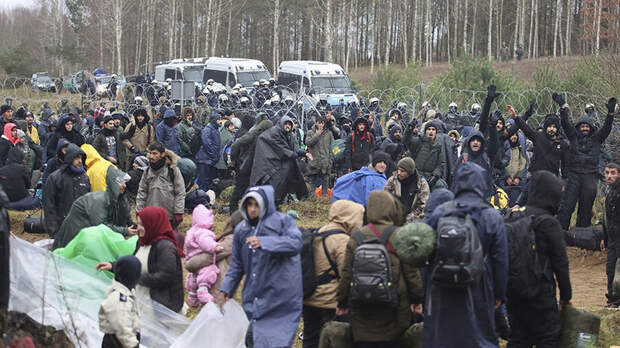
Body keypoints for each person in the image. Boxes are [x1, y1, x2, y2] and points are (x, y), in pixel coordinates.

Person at [423, 162, 508, 348]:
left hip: (442, 286)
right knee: (478, 335)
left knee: (444, 336)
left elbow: (425, 253)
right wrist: (499, 294)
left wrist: (426, 288)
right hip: (478, 283)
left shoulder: (440, 212)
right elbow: (500, 259)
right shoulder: (491, 216)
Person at [336, 190, 424, 347]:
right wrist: (417, 300)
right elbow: (412, 273)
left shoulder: (357, 237)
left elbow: (347, 274)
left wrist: (342, 302)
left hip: (362, 306)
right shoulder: (401, 235)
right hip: (395, 308)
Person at [219, 185, 303, 348]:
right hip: (255, 297)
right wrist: (226, 289)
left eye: (256, 205)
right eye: (249, 205)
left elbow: (295, 242)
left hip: (281, 298)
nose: (252, 209)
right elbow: (237, 263)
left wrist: (265, 242)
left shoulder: (282, 222)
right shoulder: (242, 230)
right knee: (254, 339)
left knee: (275, 341)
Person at [506, 170, 572, 347]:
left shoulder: (513, 218)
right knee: (548, 337)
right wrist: (566, 296)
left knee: (519, 338)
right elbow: (561, 264)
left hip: (513, 291)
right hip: (540, 293)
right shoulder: (549, 223)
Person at [97, 206, 184, 313]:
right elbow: (133, 264)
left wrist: (136, 279)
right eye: (138, 224)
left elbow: (165, 276)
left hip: (160, 308)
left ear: (152, 224)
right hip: (142, 302)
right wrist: (113, 266)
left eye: (142, 224)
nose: (138, 228)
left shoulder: (165, 248)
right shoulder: (142, 242)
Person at [303, 200, 365, 348]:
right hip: (331, 302)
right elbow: (347, 274)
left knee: (311, 339)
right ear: (350, 217)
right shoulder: (342, 241)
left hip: (309, 298)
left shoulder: (317, 231)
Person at [557, 95, 616, 229]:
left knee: (585, 207)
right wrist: (562, 109)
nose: (584, 128)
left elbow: (606, 128)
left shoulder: (596, 139)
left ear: (590, 127)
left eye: (587, 126)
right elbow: (566, 124)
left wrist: (610, 114)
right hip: (574, 176)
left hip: (590, 176)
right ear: (578, 127)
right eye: (582, 126)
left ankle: (581, 235)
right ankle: (561, 234)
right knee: (566, 206)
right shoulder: (573, 137)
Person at [52, 167, 132, 249]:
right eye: (121, 182)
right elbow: (101, 226)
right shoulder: (99, 200)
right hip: (73, 240)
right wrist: (125, 231)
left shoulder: (117, 200)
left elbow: (126, 216)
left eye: (125, 182)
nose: (125, 185)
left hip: (87, 239)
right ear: (114, 184)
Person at [250, 116, 310, 205]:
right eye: (286, 124)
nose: (287, 126)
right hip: (270, 161)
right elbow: (281, 150)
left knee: (290, 174)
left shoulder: (291, 135)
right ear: (282, 124)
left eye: (289, 124)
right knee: (276, 179)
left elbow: (295, 149)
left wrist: (305, 153)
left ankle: (285, 198)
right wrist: (294, 154)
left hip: (282, 161)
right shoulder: (274, 133)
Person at [43, 143, 91, 237]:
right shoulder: (55, 178)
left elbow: (88, 204)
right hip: (62, 229)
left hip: (82, 230)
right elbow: (49, 207)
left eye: (81, 158)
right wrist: (54, 232)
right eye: (76, 158)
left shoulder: (85, 177)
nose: (80, 161)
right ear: (69, 158)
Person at [136, 142, 185, 228]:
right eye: (150, 153)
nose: (151, 156)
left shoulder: (173, 171)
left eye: (155, 153)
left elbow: (180, 192)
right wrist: (139, 211)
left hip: (168, 216)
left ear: (162, 154)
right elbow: (142, 192)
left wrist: (178, 212)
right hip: (150, 216)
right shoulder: (147, 171)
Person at [228, 117, 273, 213]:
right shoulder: (253, 135)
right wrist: (233, 161)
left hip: (256, 165)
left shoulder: (265, 137)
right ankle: (233, 210)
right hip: (247, 164)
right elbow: (236, 145)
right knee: (241, 187)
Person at [97, 255, 142, 348]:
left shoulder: (127, 293)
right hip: (117, 343)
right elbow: (122, 328)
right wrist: (133, 345)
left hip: (122, 340)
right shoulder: (119, 298)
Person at [183, 204, 223, 307]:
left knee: (194, 280)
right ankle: (204, 294)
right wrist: (215, 246)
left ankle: (192, 300)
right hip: (203, 261)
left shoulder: (191, 232)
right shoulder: (203, 232)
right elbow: (205, 242)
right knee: (206, 276)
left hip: (192, 261)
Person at [403, 120, 447, 190]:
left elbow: (441, 164)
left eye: (433, 129)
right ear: (425, 131)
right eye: (429, 129)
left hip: (430, 176)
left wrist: (435, 176)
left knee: (442, 185)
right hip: (416, 174)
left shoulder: (438, 146)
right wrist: (410, 128)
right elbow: (406, 140)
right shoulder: (418, 141)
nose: (431, 131)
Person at [384, 157, 430, 223]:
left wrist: (407, 220)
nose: (399, 173)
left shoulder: (421, 184)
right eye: (398, 170)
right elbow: (385, 199)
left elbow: (423, 206)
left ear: (409, 172)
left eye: (402, 171)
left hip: (413, 220)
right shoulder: (392, 180)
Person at [602, 162, 620, 307]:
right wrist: (605, 238)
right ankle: (613, 299)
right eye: (607, 172)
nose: (609, 176)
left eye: (613, 173)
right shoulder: (608, 190)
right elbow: (606, 218)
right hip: (612, 237)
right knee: (610, 269)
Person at [306, 116, 335, 194]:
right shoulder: (310, 132)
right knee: (312, 187)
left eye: (322, 123)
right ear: (316, 123)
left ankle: (324, 202)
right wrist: (317, 135)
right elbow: (308, 143)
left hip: (325, 163)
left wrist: (330, 160)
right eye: (319, 123)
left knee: (325, 187)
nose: (321, 125)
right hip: (314, 163)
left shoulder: (329, 133)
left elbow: (333, 147)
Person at [195, 112, 221, 192]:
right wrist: (213, 155)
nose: (220, 121)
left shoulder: (214, 129)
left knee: (208, 181)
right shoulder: (207, 130)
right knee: (203, 181)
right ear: (213, 120)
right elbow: (207, 144)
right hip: (204, 160)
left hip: (209, 160)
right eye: (218, 119)